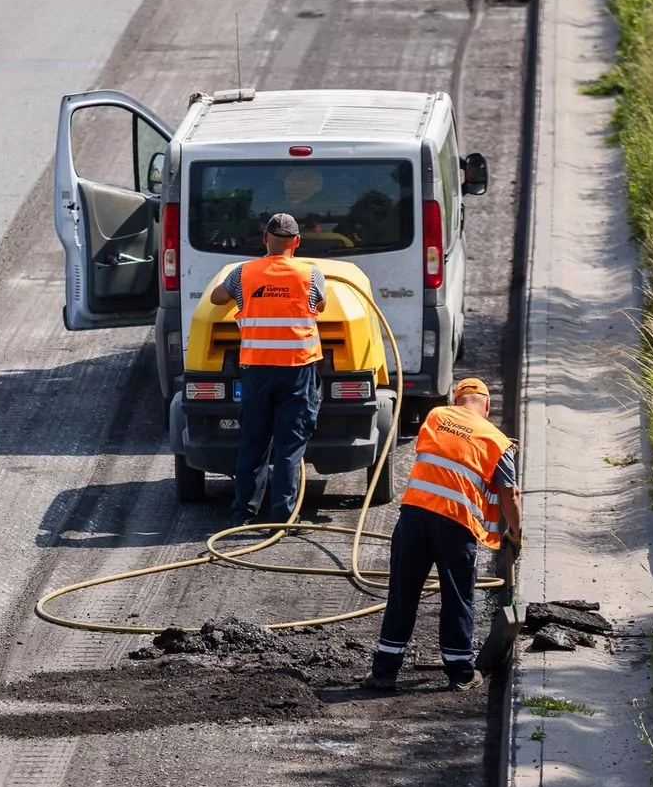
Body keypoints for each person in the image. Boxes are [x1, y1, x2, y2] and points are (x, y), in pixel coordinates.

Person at [365, 377, 522, 692]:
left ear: (457, 400)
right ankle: (461, 673)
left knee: (403, 593)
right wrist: (515, 536)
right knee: (457, 598)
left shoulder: (436, 417)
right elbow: (511, 496)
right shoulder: (496, 440)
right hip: (455, 524)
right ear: (487, 406)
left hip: (413, 516)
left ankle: (384, 672)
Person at [209, 213, 327, 526]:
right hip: (297, 370)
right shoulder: (311, 274)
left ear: (265, 238)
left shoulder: (243, 273)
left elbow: (216, 297)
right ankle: (284, 516)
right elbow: (322, 305)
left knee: (253, 441)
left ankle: (244, 514)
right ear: (297, 242)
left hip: (257, 369)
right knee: (289, 445)